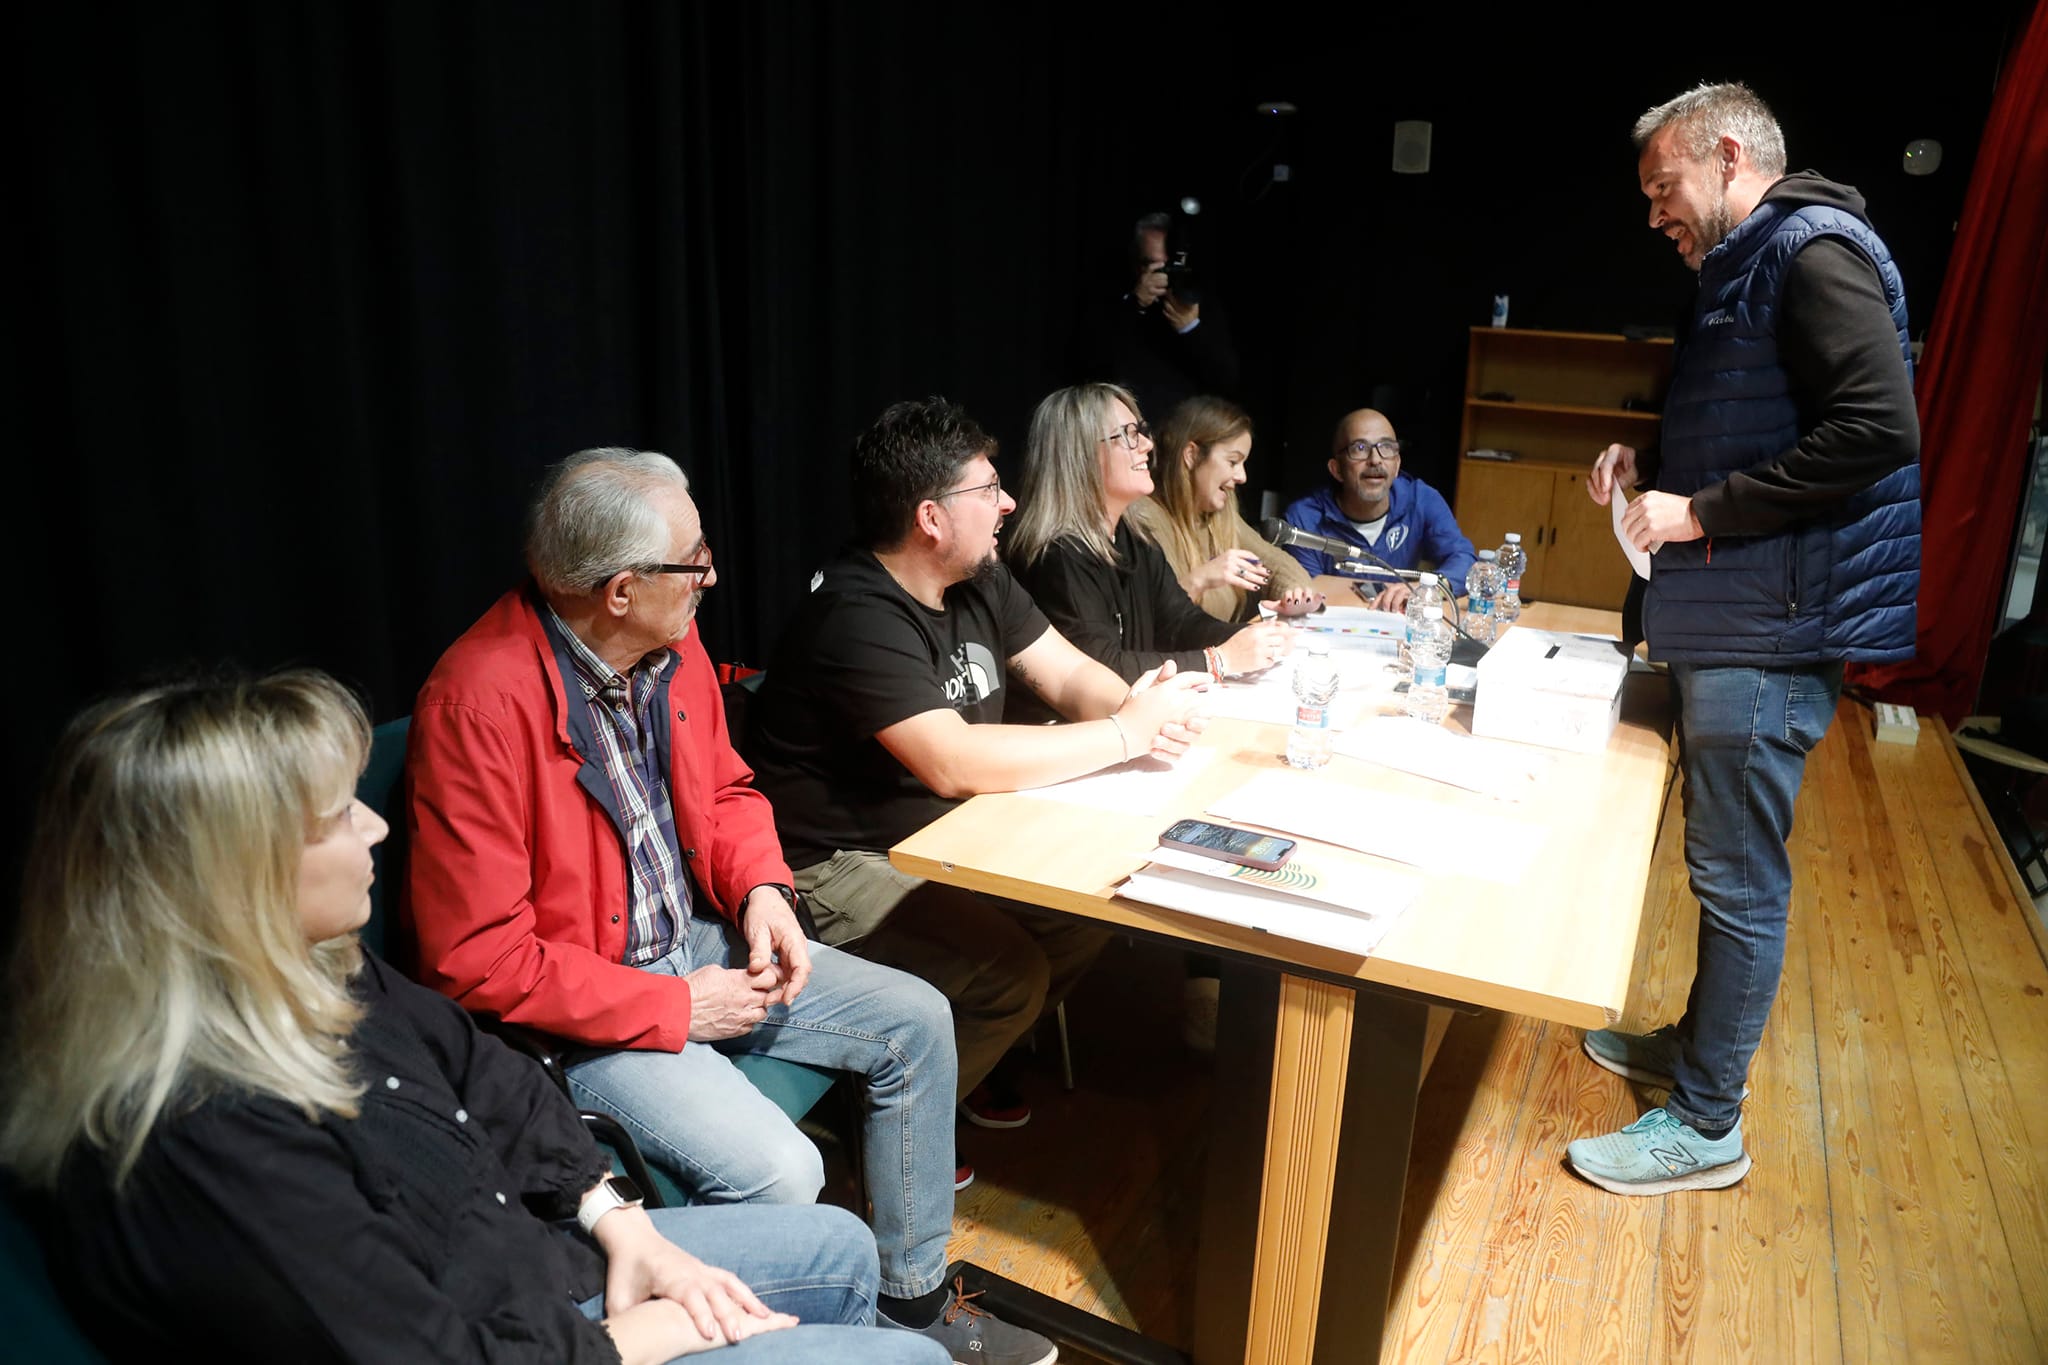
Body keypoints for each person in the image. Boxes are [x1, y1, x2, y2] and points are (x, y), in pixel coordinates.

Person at [0, 669, 946, 1364]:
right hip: (540, 1342)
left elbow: (482, 1072)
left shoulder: (317, 962)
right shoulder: (209, 1139)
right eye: (338, 816)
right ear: (232, 875)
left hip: (540, 1273)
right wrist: (650, 1331)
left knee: (839, 1245)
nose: (376, 826)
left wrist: (619, 1225)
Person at [404, 449, 1054, 1362]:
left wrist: (763, 891)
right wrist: (678, 1006)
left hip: (701, 944)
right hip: (587, 1014)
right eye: (695, 560)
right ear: (620, 590)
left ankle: (909, 1310)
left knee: (918, 1019)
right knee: (785, 1170)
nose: (711, 575)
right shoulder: (476, 703)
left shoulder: (672, 644)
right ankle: (802, 1342)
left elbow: (728, 792)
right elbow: (478, 960)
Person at [1568, 82, 1920, 1195]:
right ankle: (1695, 1049)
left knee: (1737, 880)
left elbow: (1878, 427)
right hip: (1740, 615)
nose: (1653, 215)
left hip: (1772, 628)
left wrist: (1701, 512)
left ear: (1727, 156)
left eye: (1663, 187)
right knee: (1719, 866)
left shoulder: (1812, 252)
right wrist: (1647, 459)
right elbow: (1752, 426)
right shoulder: (1748, 263)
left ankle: (1706, 1124)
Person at [745, 396, 1213, 1125]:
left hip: (939, 833)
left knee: (1082, 915)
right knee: (1008, 975)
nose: (1009, 502)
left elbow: (1066, 673)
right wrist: (1127, 734)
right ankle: (875, 1121)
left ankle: (959, 1065)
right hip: (833, 864)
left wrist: (1142, 709)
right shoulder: (855, 612)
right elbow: (953, 762)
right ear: (931, 518)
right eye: (989, 488)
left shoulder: (979, 574)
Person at [1006, 383, 1299, 712]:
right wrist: (1218, 660)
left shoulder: (1133, 536)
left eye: (1141, 431)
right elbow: (1100, 671)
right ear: (1082, 453)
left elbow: (1180, 622)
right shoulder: (1058, 555)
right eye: (1129, 435)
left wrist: (1251, 637)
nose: (1147, 444)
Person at [1125, 394, 1322, 623]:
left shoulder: (1220, 514)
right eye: (1233, 462)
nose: (1242, 477)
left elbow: (1276, 564)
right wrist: (1200, 580)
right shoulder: (1145, 518)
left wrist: (1294, 595)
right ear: (1191, 455)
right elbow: (1153, 619)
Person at [1278, 407, 1477, 611]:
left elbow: (1464, 560)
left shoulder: (1421, 500)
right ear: (1336, 469)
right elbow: (1307, 594)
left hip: (1399, 621)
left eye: (1386, 447)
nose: (1375, 460)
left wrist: (1431, 588)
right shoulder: (1304, 519)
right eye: (1360, 448)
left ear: (1397, 465)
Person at [1082, 211, 1242, 423]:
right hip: (1129, 426)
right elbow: (1090, 367)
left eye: (1171, 265)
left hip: (1185, 428)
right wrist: (1135, 304)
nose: (1165, 274)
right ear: (1137, 264)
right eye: (1155, 265)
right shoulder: (1112, 302)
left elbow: (1226, 380)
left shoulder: (1199, 302)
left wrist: (1191, 328)